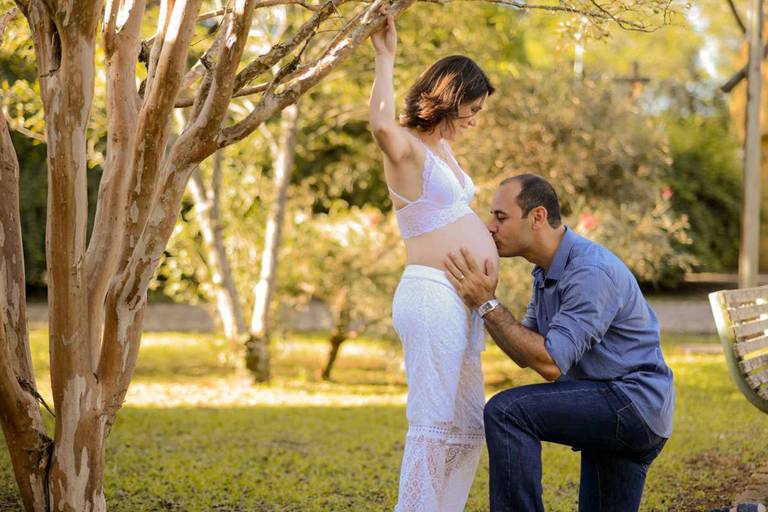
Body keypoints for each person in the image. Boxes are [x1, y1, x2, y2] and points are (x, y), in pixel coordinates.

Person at [444, 174, 674, 512]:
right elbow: (527, 354)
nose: (490, 226)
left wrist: (487, 304)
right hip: (617, 402)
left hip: (631, 403)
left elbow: (549, 362)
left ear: (537, 217)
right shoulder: (546, 270)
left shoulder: (589, 272)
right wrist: (486, 304)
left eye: (501, 217)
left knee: (507, 412)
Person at [369, 13, 497, 512]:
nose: (475, 118)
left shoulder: (443, 149)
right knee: (432, 421)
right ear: (452, 95)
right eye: (474, 107)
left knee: (467, 426)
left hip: (460, 302)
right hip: (431, 294)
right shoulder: (407, 147)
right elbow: (379, 123)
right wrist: (385, 57)